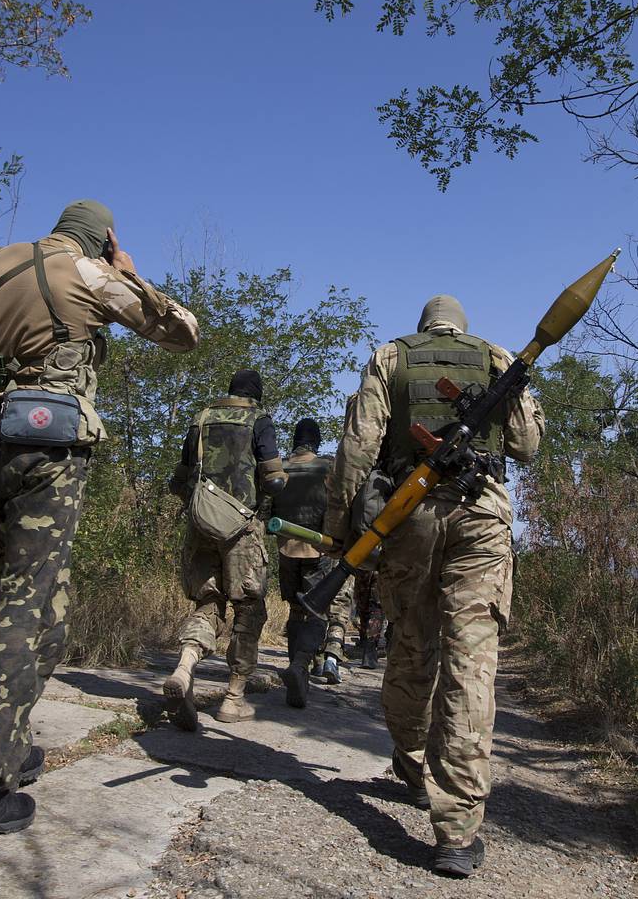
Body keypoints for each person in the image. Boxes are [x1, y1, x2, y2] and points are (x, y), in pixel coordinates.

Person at [0, 199, 199, 846]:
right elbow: (183, 331)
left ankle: (10, 740)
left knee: (38, 610)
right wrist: (127, 274)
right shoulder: (86, 272)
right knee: (26, 609)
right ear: (103, 239)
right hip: (48, 451)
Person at [323, 295, 543, 878]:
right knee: (472, 663)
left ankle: (413, 761)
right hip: (483, 516)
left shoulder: (390, 357)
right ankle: (457, 831)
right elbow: (525, 445)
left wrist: (341, 532)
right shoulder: (499, 359)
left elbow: (356, 449)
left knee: (412, 645)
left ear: (424, 327)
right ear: (463, 329)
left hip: (409, 513)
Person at [164, 368, 287, 729]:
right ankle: (234, 698)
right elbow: (275, 479)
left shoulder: (201, 418)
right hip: (242, 529)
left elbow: (181, 478)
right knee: (248, 610)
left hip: (200, 524)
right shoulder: (259, 419)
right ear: (256, 394)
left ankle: (185, 665)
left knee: (207, 603)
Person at [272, 417, 342, 707]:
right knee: (316, 614)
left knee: (294, 609)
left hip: (286, 548)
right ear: (316, 440)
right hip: (318, 551)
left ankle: (295, 668)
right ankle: (300, 666)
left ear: (294, 440)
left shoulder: (281, 468)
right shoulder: (328, 466)